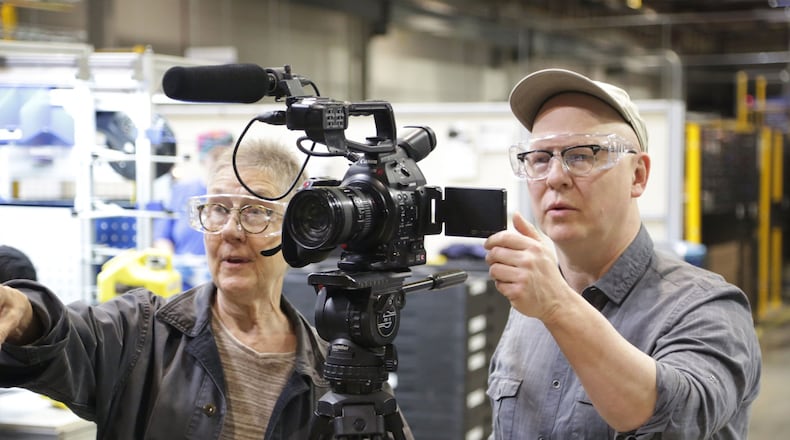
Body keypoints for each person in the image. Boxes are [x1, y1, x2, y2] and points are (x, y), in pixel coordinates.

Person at [0, 137, 411, 439]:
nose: (230, 230)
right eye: (217, 209)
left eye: (255, 211)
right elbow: (63, 336)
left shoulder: (333, 373)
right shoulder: (142, 334)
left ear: (300, 233)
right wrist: (22, 312)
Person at [484, 68, 761, 439]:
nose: (554, 177)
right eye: (539, 158)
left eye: (581, 155)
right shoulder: (529, 310)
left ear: (638, 176)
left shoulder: (709, 308)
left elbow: (676, 422)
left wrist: (558, 306)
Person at [153, 129, 234, 289]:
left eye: (226, 157)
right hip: (182, 285)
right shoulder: (182, 191)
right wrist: (175, 266)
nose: (220, 163)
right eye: (215, 157)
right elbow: (162, 236)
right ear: (203, 159)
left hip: (224, 281)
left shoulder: (238, 193)